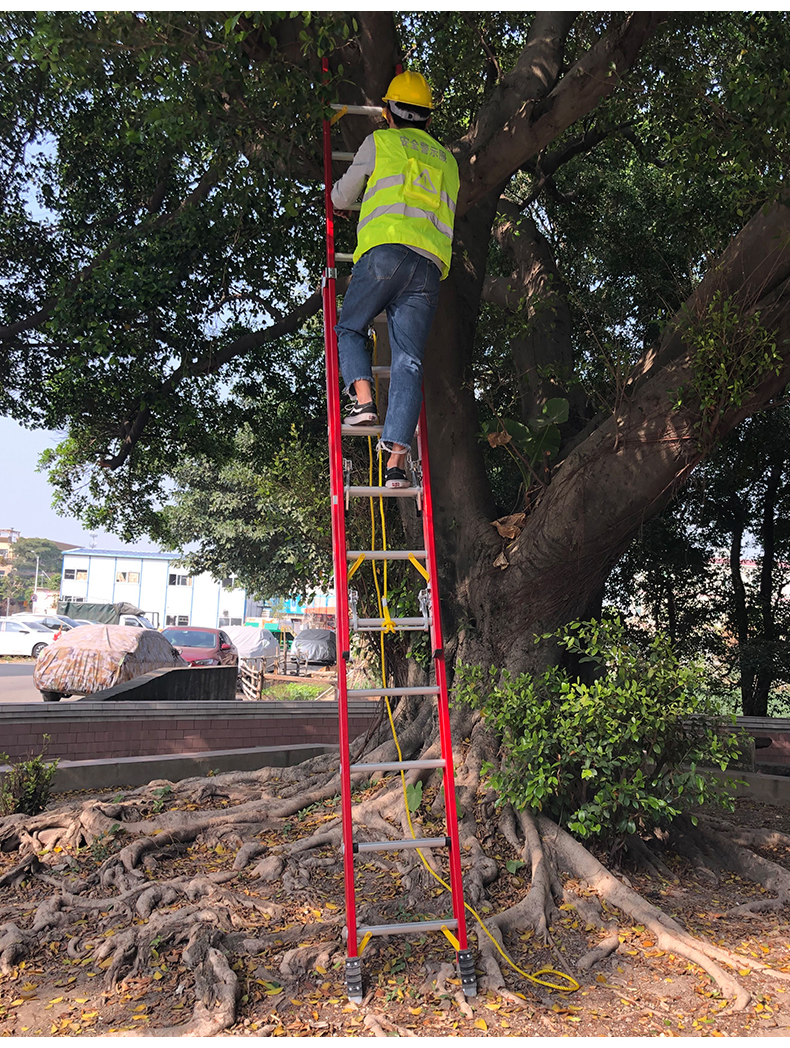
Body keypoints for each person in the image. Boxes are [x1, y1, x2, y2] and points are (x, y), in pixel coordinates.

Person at [332, 71, 460, 488]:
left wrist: (339, 203)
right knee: (409, 360)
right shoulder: (449, 162)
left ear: (387, 112)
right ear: (427, 117)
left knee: (350, 326)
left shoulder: (380, 142)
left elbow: (340, 197)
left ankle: (365, 403)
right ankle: (396, 466)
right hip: (427, 269)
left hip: (385, 253)